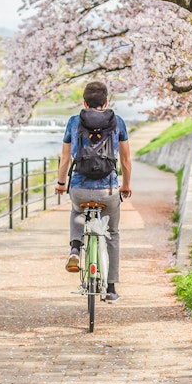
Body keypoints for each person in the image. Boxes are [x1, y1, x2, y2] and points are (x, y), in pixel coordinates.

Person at [55, 81, 132, 303]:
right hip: (108, 189)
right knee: (113, 233)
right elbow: (126, 160)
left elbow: (65, 158)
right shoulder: (118, 122)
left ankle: (75, 249)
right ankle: (111, 288)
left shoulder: (73, 121)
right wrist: (125, 185)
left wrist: (61, 183)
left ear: (84, 103)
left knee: (77, 211)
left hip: (79, 188)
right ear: (106, 102)